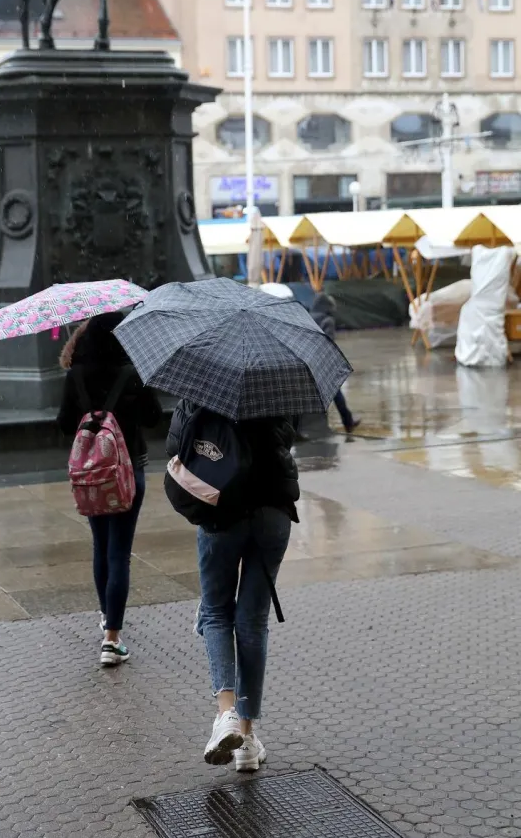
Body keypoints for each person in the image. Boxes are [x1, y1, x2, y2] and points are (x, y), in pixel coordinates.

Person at [166, 403, 299, 771]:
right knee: (252, 620)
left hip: (221, 512)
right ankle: (247, 738)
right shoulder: (276, 380)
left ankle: (226, 713)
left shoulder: (202, 385)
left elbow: (174, 445)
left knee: (215, 610)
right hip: (272, 510)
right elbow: (288, 435)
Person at [57, 312, 162, 666]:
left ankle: (107, 617)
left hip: (91, 476)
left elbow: (61, 425)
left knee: (101, 547)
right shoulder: (132, 372)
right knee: (119, 552)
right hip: (129, 471)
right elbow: (153, 418)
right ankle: (112, 638)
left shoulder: (77, 374)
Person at [310, 291, 359, 433]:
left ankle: (314, 426)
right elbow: (329, 343)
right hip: (324, 362)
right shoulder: (328, 321)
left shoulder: (307, 317)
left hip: (308, 360)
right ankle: (348, 422)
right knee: (335, 393)